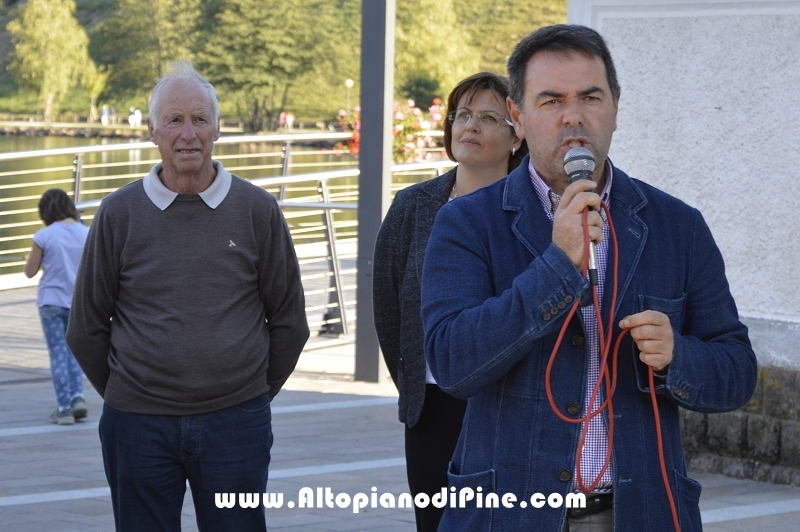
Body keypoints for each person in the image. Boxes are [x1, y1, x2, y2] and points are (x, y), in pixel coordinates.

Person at [421, 25, 757, 532]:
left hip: (641, 513)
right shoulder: (467, 223)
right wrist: (558, 266)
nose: (573, 116)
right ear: (518, 115)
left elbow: (737, 372)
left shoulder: (677, 225)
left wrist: (678, 356)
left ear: (616, 107)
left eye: (590, 97)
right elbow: (453, 364)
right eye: (551, 100)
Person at [66, 61, 309, 532]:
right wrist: (130, 391)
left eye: (199, 119)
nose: (188, 133)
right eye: (174, 120)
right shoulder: (119, 213)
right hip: (137, 425)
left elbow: (289, 322)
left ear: (217, 129)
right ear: (153, 131)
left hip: (236, 423)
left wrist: (250, 393)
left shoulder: (257, 210)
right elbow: (86, 327)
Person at [373, 72, 526, 532]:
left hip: (509, 401)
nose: (470, 126)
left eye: (487, 117)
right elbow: (388, 304)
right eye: (462, 115)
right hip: (432, 400)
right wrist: (412, 381)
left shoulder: (534, 212)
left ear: (517, 134)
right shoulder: (413, 206)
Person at [24, 189, 90, 426]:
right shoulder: (87, 233)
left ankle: (63, 408)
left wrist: (30, 258)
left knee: (58, 354)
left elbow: (30, 272)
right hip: (78, 302)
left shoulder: (44, 235)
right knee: (75, 352)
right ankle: (78, 396)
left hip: (51, 302)